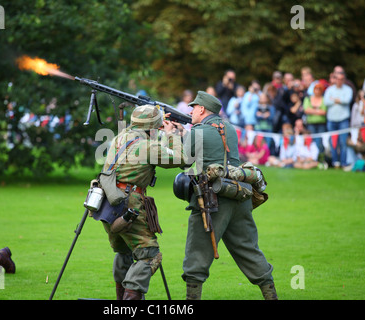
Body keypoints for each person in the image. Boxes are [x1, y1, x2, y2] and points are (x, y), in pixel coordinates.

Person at [181, 91, 277, 300]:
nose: (190, 111)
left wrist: (175, 134)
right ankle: (271, 295)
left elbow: (183, 160)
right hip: (239, 194)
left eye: (193, 107)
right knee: (249, 250)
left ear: (202, 109)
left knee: (197, 255)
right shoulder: (230, 129)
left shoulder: (197, 132)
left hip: (211, 200)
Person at [97, 105, 185, 300]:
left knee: (124, 251)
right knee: (150, 255)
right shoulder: (148, 146)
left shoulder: (121, 137)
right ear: (152, 127)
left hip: (107, 203)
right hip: (129, 204)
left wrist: (157, 122)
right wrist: (172, 135)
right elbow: (182, 159)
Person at [323, 71, 353, 168]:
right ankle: (335, 162)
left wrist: (335, 99)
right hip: (331, 120)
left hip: (343, 119)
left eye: (341, 79)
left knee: (343, 142)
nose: (339, 81)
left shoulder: (348, 89)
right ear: (335, 79)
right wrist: (340, 100)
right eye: (338, 79)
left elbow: (347, 100)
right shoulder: (329, 90)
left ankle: (343, 163)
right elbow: (326, 102)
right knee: (333, 142)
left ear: (344, 80)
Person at [303, 82, 327, 153]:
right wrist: (318, 110)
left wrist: (312, 110)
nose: (317, 90)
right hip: (311, 123)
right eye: (316, 88)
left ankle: (320, 157)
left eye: (319, 89)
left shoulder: (323, 99)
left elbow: (324, 112)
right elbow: (306, 110)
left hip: (321, 123)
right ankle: (312, 156)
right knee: (312, 141)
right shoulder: (308, 98)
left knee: (320, 141)